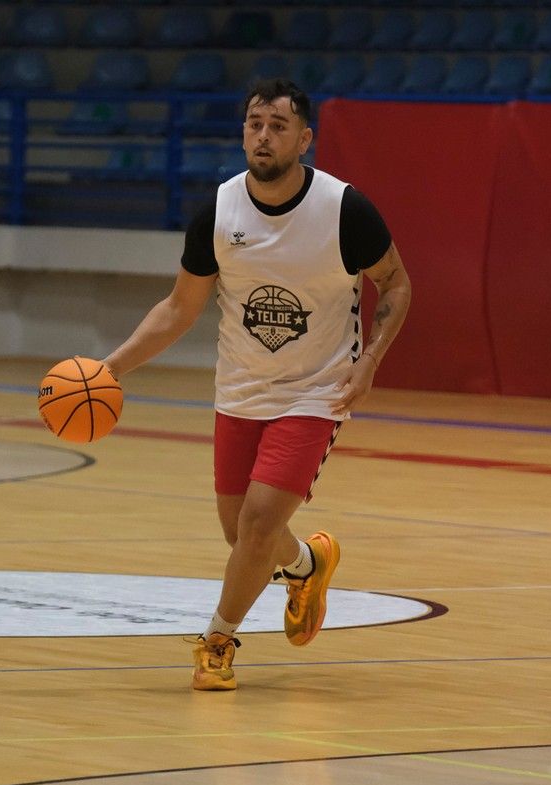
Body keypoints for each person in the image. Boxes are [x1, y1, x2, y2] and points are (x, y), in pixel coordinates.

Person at [102, 78, 411, 690]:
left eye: (276, 125)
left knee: (258, 524)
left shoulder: (344, 209)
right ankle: (306, 567)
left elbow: (396, 284)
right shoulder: (219, 211)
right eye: (253, 124)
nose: (263, 135)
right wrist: (109, 370)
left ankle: (218, 642)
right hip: (241, 389)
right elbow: (178, 309)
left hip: (316, 392)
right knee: (239, 529)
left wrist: (371, 359)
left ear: (305, 138)